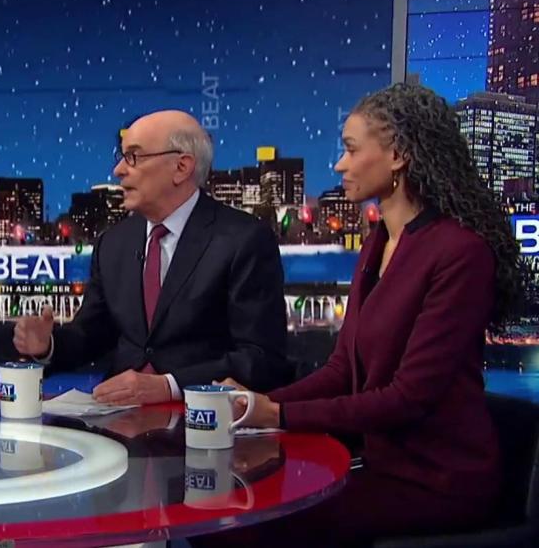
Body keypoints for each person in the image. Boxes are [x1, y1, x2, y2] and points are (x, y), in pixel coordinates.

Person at [218, 83, 522, 545]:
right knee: (228, 511)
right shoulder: (378, 244)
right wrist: (258, 405)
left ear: (397, 154)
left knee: (244, 526)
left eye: (351, 149)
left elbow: (408, 397)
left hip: (436, 481)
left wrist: (277, 413)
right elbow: (342, 370)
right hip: (378, 464)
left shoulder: (460, 253)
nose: (339, 165)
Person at [14, 110, 290, 405]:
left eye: (133, 156)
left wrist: (169, 386)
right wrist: (47, 346)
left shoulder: (243, 240)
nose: (118, 170)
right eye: (121, 157)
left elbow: (261, 358)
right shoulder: (113, 243)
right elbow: (93, 334)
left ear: (181, 167)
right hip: (116, 416)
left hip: (204, 418)